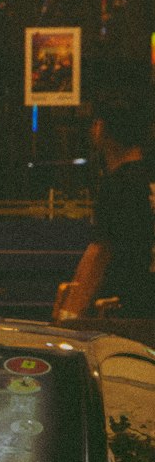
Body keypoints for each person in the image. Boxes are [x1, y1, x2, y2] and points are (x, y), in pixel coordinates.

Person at [90, 94, 155, 317]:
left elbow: (100, 253)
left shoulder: (117, 185)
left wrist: (71, 311)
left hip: (125, 303)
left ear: (102, 129)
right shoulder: (146, 177)